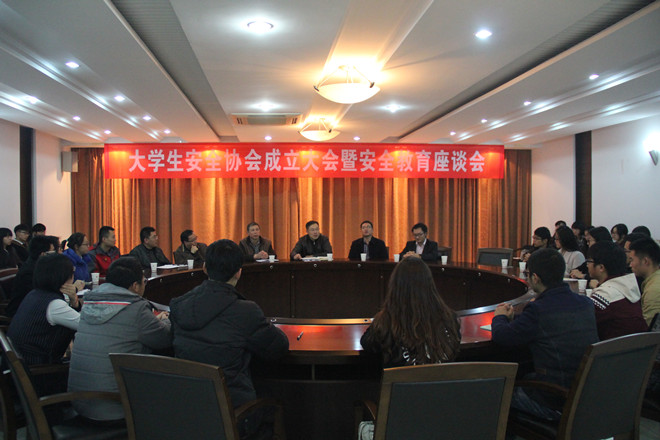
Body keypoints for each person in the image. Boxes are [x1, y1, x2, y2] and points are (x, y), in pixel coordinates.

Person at [170, 239, 289, 409]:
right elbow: (278, 347)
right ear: (239, 272)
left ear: (205, 268)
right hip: (232, 410)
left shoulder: (179, 304)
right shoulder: (245, 311)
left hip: (185, 406)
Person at [492, 248, 598, 421]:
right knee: (525, 375)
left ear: (535, 278)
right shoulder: (585, 303)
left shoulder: (538, 309)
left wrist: (500, 317)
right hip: (584, 394)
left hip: (555, 400)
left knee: (496, 391)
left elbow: (501, 336)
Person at [68, 257, 172, 422]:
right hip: (115, 407)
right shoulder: (136, 307)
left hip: (79, 402)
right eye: (144, 281)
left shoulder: (90, 302)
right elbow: (164, 338)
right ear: (135, 286)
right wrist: (166, 320)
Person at [360, 257, 460, 367]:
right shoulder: (449, 320)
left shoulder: (385, 323)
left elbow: (366, 343)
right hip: (441, 378)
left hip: (400, 378)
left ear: (395, 287)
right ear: (430, 285)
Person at [7, 253, 81, 366]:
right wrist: (75, 301)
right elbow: (86, 326)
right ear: (64, 276)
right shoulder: (55, 304)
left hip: (20, 362)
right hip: (39, 368)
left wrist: (74, 302)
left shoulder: (34, 294)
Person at [586, 241, 647, 340]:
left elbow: (584, 324)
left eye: (589, 261)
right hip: (638, 346)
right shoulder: (629, 287)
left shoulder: (604, 296)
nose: (587, 265)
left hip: (612, 348)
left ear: (601, 267)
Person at [7, 235, 68, 317]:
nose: (57, 254)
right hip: (24, 313)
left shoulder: (40, 266)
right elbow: (43, 296)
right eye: (53, 252)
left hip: (39, 308)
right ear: (43, 254)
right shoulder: (29, 272)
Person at [629, 237, 660, 325]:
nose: (630, 265)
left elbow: (650, 328)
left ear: (645, 261)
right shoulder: (654, 280)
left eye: (632, 260)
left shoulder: (653, 290)